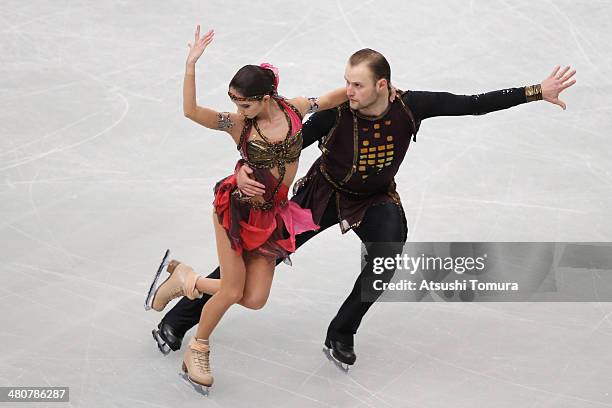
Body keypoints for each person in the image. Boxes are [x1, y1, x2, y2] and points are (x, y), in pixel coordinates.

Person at [151, 47, 577, 371]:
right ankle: (179, 318)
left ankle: (341, 333)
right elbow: (278, 147)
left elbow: (474, 103)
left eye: (356, 85)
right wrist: (245, 168)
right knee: (256, 256)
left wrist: (537, 91)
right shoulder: (335, 115)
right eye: (346, 82)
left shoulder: (412, 105)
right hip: (322, 194)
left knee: (386, 258)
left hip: (375, 199)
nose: (346, 91)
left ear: (382, 86)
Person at [143, 25, 349, 391]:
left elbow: (328, 100)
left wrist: (358, 91)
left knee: (253, 299)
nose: (239, 109)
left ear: (267, 96)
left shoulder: (295, 110)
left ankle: (184, 279)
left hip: (272, 216)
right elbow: (191, 111)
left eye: (246, 102)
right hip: (235, 212)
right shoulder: (239, 124)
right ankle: (198, 349)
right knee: (231, 290)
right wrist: (191, 65)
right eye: (236, 102)